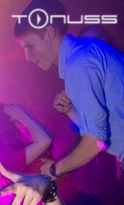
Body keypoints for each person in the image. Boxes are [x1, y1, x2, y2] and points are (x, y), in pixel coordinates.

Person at [13, 0, 124, 177]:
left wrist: (55, 169)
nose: (27, 56)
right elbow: (103, 127)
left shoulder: (78, 64)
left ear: (49, 33)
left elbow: (95, 140)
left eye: (29, 46)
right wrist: (71, 111)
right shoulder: (84, 51)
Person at [0, 103, 107, 205]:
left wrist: (25, 117)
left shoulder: (17, 148)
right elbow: (45, 141)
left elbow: (48, 136)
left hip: (76, 196)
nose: (16, 122)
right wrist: (23, 116)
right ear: (2, 125)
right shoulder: (6, 158)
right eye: (11, 118)